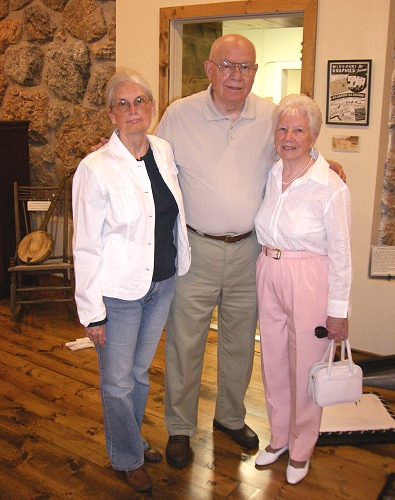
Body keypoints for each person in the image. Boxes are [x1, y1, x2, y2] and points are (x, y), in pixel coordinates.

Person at [92, 34, 345, 469]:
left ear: (255, 72)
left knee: (240, 343)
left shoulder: (270, 115)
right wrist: (106, 153)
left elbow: (295, 145)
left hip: (251, 252)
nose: (236, 75)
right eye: (227, 66)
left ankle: (229, 417)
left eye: (245, 67)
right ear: (209, 69)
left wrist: (326, 164)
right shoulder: (179, 114)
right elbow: (147, 153)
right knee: (185, 346)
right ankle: (180, 428)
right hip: (196, 250)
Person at [72, 69, 191, 493]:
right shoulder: (95, 168)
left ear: (152, 108)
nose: (132, 110)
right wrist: (92, 313)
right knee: (117, 382)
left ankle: (133, 439)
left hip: (161, 284)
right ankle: (126, 456)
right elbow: (85, 245)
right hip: (118, 294)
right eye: (122, 104)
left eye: (139, 101)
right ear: (110, 114)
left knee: (139, 374)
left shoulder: (163, 150)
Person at [254, 94, 352, 484]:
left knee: (305, 366)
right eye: (282, 128)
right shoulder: (271, 173)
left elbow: (342, 253)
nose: (289, 136)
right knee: (274, 360)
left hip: (310, 277)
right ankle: (279, 437)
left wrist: (339, 311)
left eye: (298, 129)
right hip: (268, 269)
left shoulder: (330, 186)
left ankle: (301, 447)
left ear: (313, 136)